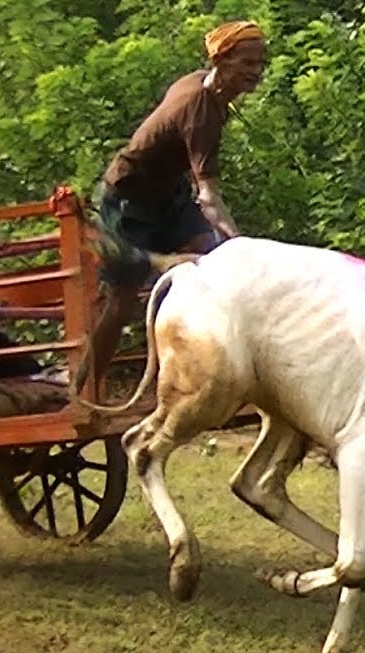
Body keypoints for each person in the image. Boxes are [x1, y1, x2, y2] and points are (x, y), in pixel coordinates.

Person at [75, 20, 267, 395]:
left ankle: (195, 371)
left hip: (169, 194)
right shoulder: (201, 111)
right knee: (122, 300)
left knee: (209, 264)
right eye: (247, 63)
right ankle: (84, 384)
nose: (256, 72)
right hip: (129, 198)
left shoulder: (203, 85)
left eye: (260, 63)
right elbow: (209, 196)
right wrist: (245, 246)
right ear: (222, 61)